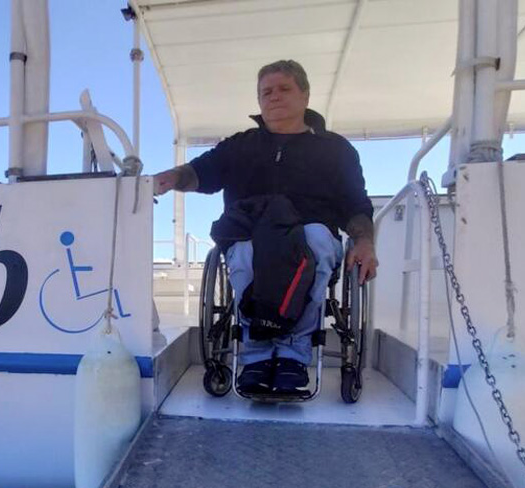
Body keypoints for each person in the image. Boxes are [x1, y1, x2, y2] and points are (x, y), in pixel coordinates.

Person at [153, 59, 378, 395]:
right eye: (266, 92)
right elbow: (200, 172)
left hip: (311, 235)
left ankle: (293, 356)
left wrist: (365, 242)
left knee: (315, 240)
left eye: (284, 89)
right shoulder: (240, 145)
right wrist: (173, 178)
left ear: (305, 96)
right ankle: (256, 357)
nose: (274, 97)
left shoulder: (336, 150)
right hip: (250, 233)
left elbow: (356, 205)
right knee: (242, 251)